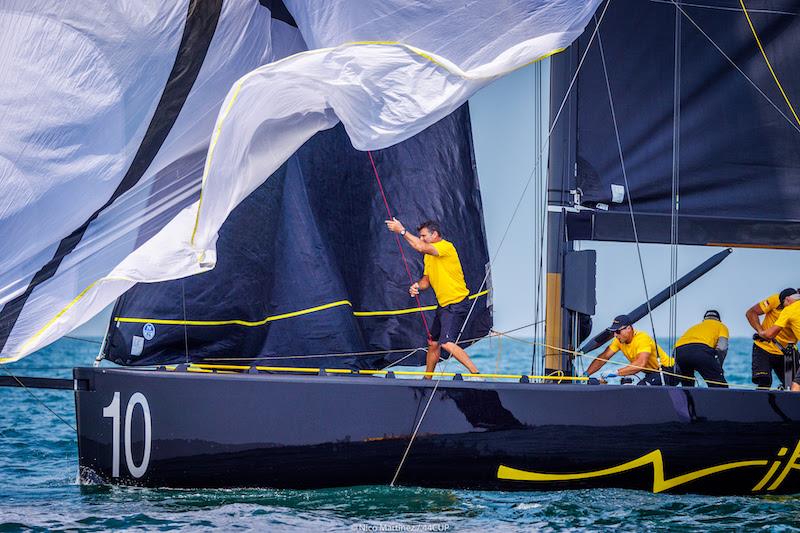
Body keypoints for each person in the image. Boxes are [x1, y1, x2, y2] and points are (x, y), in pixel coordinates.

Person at [384, 217, 480, 378]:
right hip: (443, 305)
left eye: (424, 235)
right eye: (420, 236)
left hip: (456, 303)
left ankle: (477, 374)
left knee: (447, 343)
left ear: (434, 234)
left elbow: (419, 247)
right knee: (433, 343)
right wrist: (417, 286)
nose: (422, 239)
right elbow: (426, 281)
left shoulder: (445, 247)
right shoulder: (429, 255)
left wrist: (402, 230)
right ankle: (427, 378)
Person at [586, 314, 678, 386]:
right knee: (627, 384)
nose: (615, 335)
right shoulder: (618, 340)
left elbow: (640, 363)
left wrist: (615, 372)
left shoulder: (642, 338)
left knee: (639, 389)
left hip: (668, 371)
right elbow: (603, 357)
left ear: (629, 328)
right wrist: (586, 374)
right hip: (652, 373)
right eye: (614, 332)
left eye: (618, 331)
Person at [746, 288, 799, 388]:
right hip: (764, 348)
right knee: (764, 382)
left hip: (787, 352)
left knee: (794, 386)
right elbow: (751, 312)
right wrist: (760, 331)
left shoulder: (792, 309)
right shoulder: (775, 299)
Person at [673, 310, 729, 388]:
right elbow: (722, 348)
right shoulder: (721, 326)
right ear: (719, 320)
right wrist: (718, 367)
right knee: (719, 386)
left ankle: (688, 399)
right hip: (700, 351)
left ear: (704, 320)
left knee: (687, 386)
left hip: (678, 352)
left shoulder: (695, 326)